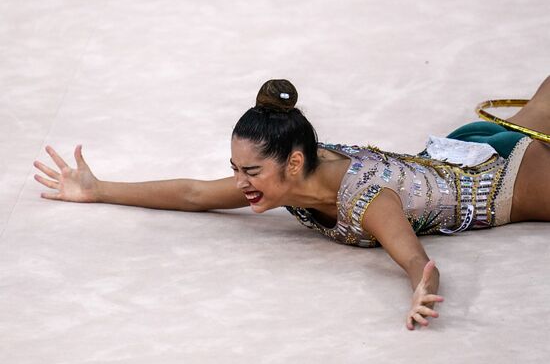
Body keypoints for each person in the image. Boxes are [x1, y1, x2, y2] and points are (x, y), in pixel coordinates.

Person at [33, 78, 550, 330]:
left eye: (251, 172)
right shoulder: (287, 172)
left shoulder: (367, 199)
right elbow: (194, 193)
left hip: (512, 182)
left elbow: (416, 261)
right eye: (236, 169)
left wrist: (420, 294)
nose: (239, 183)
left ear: (295, 163)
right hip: (465, 144)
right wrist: (99, 189)